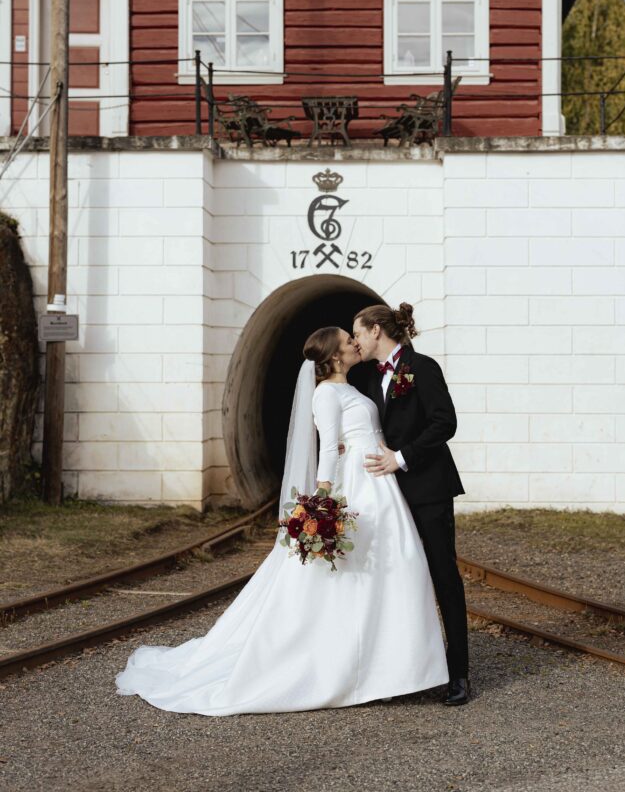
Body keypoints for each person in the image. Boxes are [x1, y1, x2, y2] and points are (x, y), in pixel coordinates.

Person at [114, 325, 449, 715]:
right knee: (355, 576)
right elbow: (328, 448)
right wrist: (323, 501)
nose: (354, 343)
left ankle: (394, 667)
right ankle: (357, 667)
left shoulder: (354, 387)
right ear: (335, 356)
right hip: (356, 485)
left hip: (379, 483)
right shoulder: (325, 393)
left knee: (393, 571)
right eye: (347, 341)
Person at [351, 303, 470, 706]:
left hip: (428, 489)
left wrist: (401, 458)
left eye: (359, 332)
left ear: (377, 331)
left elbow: (445, 422)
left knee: (443, 576)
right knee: (395, 578)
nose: (356, 341)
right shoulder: (368, 376)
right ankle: (405, 670)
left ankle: (459, 674)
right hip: (386, 496)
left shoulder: (423, 366)